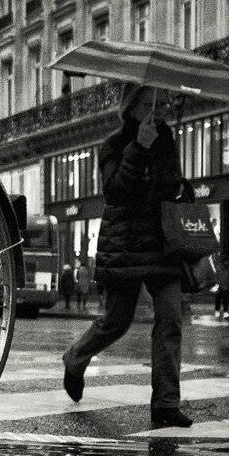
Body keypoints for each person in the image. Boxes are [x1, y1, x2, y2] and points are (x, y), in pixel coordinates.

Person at [62, 84, 192, 428]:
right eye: (154, 103)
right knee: (116, 322)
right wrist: (139, 148)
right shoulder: (113, 145)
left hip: (163, 244)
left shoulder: (168, 140)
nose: (162, 108)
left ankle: (166, 404)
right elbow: (116, 191)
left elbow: (170, 187)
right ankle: (75, 357)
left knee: (170, 319)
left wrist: (180, 186)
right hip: (126, 243)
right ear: (133, 106)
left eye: (165, 102)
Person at [213, 251, 229, 320]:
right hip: (220, 286)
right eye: (226, 261)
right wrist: (217, 285)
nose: (227, 263)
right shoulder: (219, 268)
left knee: (225, 300)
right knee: (218, 299)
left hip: (225, 286)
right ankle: (217, 311)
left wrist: (228, 284)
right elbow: (216, 277)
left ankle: (225, 311)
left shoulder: (227, 269)